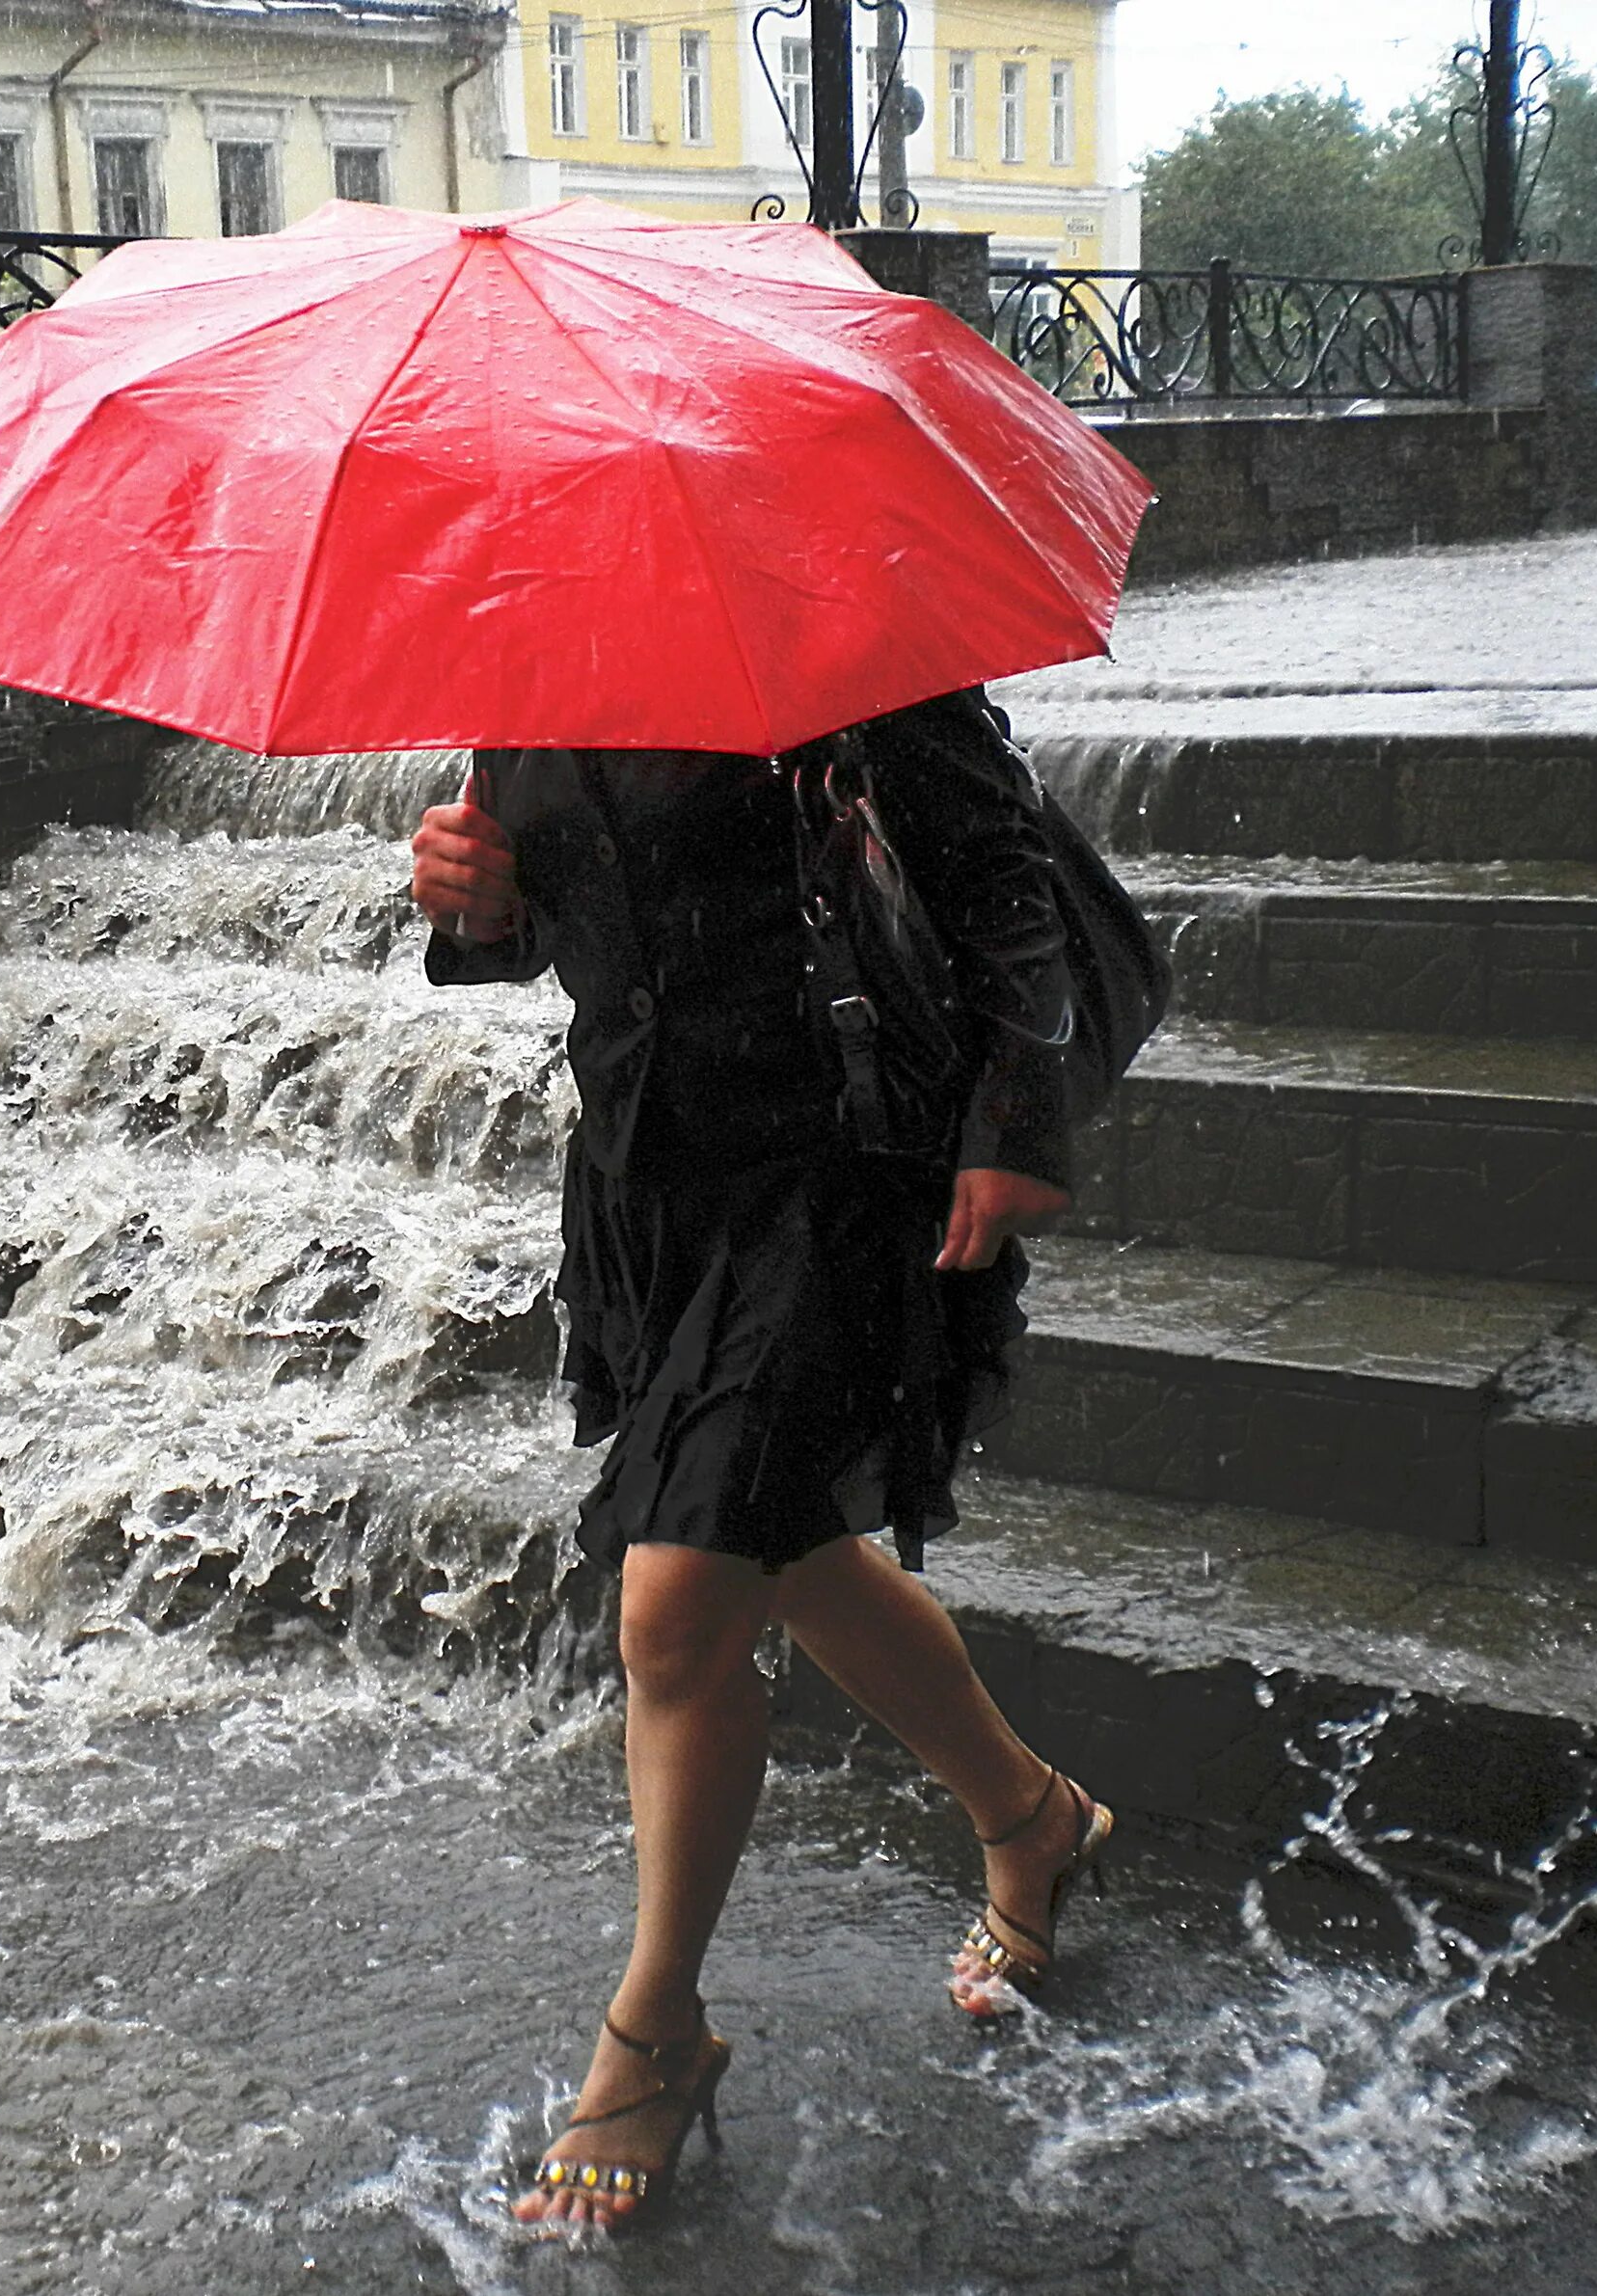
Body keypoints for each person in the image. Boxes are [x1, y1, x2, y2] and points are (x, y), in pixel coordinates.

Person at [408, 689, 1113, 2234]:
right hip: (650, 1188)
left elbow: (1000, 876)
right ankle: (1031, 1816)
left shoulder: (835, 628)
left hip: (835, 1175)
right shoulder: (525, 656)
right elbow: (563, 914)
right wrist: (477, 896)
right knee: (785, 1552)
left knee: (672, 1604)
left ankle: (655, 2029)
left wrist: (1016, 1117)